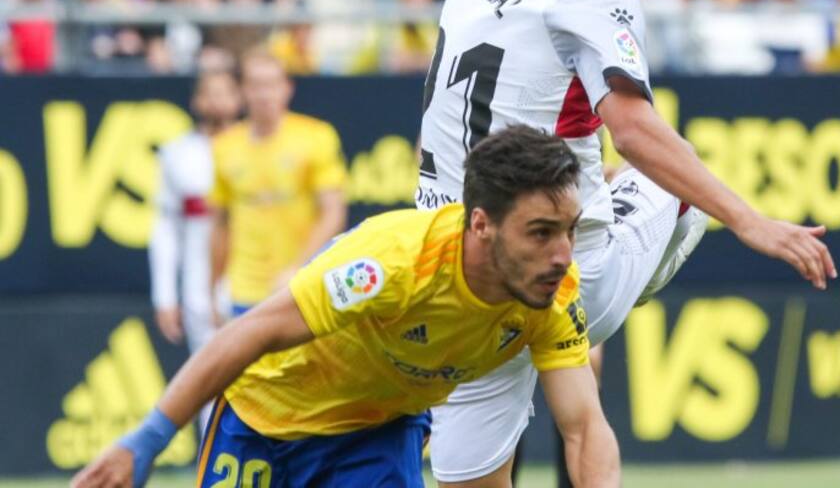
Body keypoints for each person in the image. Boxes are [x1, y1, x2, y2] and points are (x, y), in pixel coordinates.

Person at [418, 0, 840, 487]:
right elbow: (635, 128)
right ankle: (587, 315)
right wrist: (748, 220)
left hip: (459, 267)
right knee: (670, 177)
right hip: (565, 276)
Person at [71, 126, 619, 488]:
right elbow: (249, 333)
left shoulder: (553, 294)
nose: (561, 256)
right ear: (482, 224)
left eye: (568, 232)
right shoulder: (393, 264)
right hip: (266, 417)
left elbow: (584, 428)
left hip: (375, 434)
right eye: (541, 233)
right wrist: (143, 443)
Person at [210, 50, 347, 319]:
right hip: (243, 290)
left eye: (272, 85)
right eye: (256, 85)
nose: (264, 95)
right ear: (243, 91)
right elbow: (220, 224)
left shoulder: (316, 137)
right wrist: (213, 286)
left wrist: (299, 267)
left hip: (297, 287)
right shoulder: (224, 146)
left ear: (287, 88)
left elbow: (333, 213)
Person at [150, 65, 242, 355]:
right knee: (207, 370)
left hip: (252, 272)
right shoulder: (178, 153)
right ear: (196, 100)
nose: (216, 101)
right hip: (198, 275)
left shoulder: (256, 149)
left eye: (225, 93)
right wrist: (164, 296)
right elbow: (166, 228)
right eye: (209, 93)